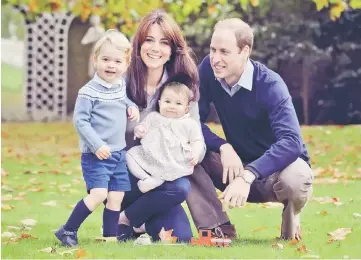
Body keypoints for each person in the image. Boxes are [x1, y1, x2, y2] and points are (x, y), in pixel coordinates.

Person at [186, 18, 314, 240]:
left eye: (224, 52)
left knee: (298, 176)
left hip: (274, 174)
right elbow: (191, 122)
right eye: (213, 49)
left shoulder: (270, 85)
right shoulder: (207, 69)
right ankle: (218, 228)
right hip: (233, 168)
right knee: (185, 150)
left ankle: (290, 229)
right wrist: (223, 146)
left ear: (245, 51)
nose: (215, 59)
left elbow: (292, 142)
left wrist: (249, 174)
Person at [115, 10, 205, 243]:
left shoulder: (183, 86)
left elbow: (196, 136)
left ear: (172, 49)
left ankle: (128, 219)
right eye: (149, 40)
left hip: (164, 179)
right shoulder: (121, 81)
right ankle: (134, 216)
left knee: (181, 236)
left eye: (164, 42)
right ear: (139, 44)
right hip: (125, 172)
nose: (155, 48)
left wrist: (194, 153)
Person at [55, 29, 140, 246]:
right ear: (95, 60)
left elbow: (125, 102)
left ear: (126, 64)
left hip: (118, 153)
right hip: (97, 154)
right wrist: (97, 144)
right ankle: (68, 230)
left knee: (116, 197)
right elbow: (80, 121)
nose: (111, 65)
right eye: (105, 60)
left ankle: (109, 237)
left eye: (117, 61)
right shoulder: (88, 92)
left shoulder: (120, 86)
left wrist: (132, 108)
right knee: (99, 193)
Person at [127, 77, 205, 193]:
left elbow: (197, 141)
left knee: (168, 171)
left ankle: (158, 179)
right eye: (167, 102)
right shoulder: (154, 117)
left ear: (186, 109)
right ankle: (146, 178)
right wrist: (140, 130)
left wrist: (196, 153)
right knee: (129, 155)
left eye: (178, 103)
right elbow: (142, 127)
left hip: (174, 160)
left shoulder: (189, 124)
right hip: (151, 156)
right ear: (159, 103)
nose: (172, 106)